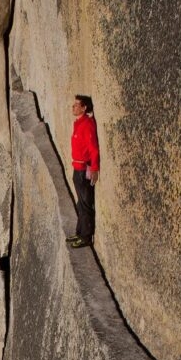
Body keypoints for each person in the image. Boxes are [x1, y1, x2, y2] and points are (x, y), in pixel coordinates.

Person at [66, 94, 99, 248]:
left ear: (84, 108)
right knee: (80, 203)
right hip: (77, 168)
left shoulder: (87, 125)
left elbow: (93, 149)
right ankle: (79, 232)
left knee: (85, 204)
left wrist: (94, 168)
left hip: (83, 170)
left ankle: (86, 237)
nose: (73, 107)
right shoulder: (79, 123)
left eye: (77, 104)